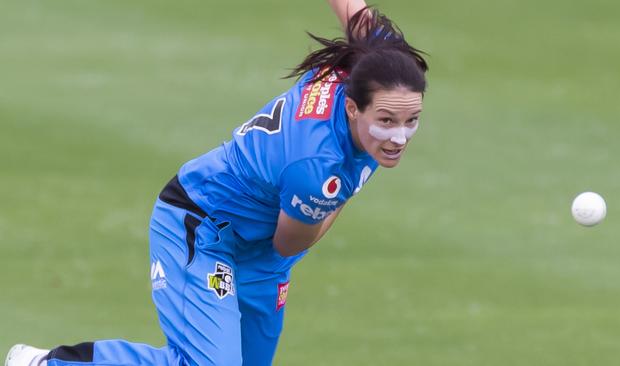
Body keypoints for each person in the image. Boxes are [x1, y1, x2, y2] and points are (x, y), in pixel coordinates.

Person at [5, 1, 428, 365]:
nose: (399, 137)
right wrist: (346, 188)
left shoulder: (380, 63)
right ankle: (49, 361)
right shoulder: (318, 171)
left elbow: (353, 11)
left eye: (412, 120)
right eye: (386, 121)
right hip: (203, 226)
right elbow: (291, 242)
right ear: (353, 108)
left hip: (261, 249)